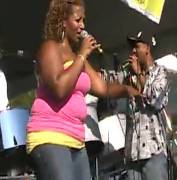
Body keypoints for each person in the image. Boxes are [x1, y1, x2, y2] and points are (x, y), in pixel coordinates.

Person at [26, 0, 139, 180]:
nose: (83, 26)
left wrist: (128, 89)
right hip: (50, 135)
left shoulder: (78, 59)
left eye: (83, 21)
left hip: (76, 140)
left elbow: (103, 87)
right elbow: (59, 89)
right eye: (78, 20)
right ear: (63, 21)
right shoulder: (50, 48)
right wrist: (82, 55)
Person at [123, 31, 169, 180]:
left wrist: (139, 74)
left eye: (137, 46)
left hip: (152, 151)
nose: (133, 51)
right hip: (132, 153)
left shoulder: (160, 73)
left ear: (147, 48)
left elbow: (155, 100)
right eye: (132, 47)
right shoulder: (128, 75)